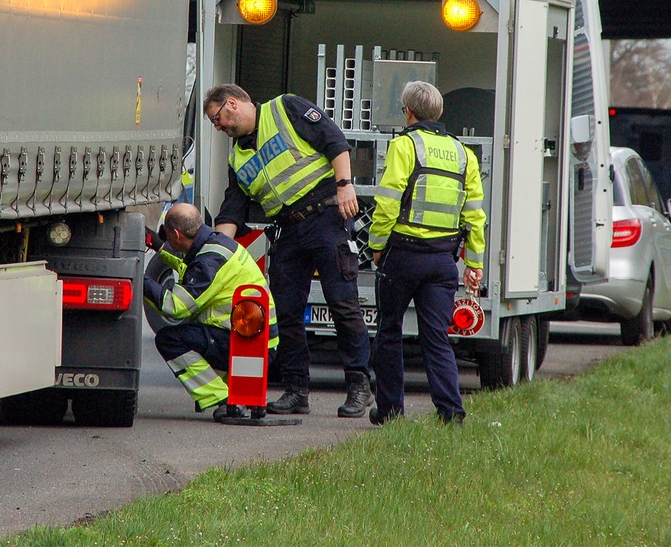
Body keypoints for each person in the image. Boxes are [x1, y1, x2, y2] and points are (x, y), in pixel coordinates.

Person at [203, 83, 374, 418]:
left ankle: (359, 385)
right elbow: (233, 209)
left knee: (343, 303)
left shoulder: (285, 108)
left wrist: (344, 186)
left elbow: (334, 141)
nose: (218, 127)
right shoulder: (238, 155)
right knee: (286, 312)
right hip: (289, 230)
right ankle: (297, 390)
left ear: (233, 104)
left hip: (325, 217)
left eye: (218, 119)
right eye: (214, 124)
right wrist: (215, 254)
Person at [367, 81, 486, 425]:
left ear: (408, 112)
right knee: (436, 338)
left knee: (389, 331)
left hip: (403, 256)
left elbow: (387, 203)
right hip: (443, 262)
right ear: (440, 113)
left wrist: (377, 246)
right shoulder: (465, 154)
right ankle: (451, 413)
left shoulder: (404, 145)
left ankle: (391, 412)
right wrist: (474, 264)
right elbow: (475, 216)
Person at [144, 202, 278, 421]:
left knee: (170, 339)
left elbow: (174, 307)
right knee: (191, 333)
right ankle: (230, 392)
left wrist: (139, 280)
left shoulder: (208, 262)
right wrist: (161, 247)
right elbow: (189, 267)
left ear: (177, 234)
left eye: (166, 235)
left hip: (248, 349)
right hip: (255, 342)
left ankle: (222, 399)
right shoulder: (215, 244)